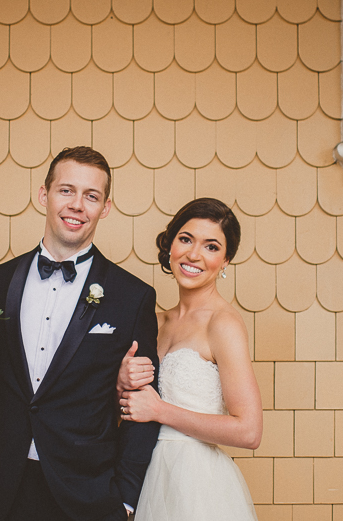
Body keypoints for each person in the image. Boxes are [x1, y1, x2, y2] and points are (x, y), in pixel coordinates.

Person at [0, 146, 160, 521]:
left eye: (91, 196)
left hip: (87, 493)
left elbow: (142, 408)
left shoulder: (133, 296)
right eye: (66, 190)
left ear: (105, 208)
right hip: (5, 487)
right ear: (43, 195)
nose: (77, 205)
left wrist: (126, 500)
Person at [117, 198, 262, 521]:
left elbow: (249, 431)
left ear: (225, 261)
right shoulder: (153, 321)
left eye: (211, 247)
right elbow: (123, 409)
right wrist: (119, 383)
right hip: (142, 478)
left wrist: (160, 411)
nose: (194, 254)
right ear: (170, 245)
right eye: (186, 239)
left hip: (197, 486)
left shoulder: (223, 324)